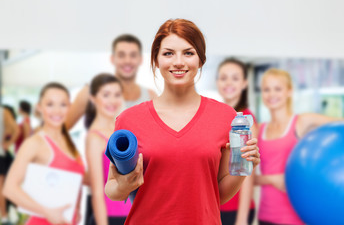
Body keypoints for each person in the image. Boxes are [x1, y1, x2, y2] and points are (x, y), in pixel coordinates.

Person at [104, 19, 260, 225]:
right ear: (156, 60)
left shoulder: (226, 117)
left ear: (201, 60)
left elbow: (217, 195)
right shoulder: (129, 119)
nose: (178, 62)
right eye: (168, 53)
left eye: (188, 53)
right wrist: (123, 186)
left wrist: (243, 166)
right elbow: (111, 189)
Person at [255, 68, 342, 225]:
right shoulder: (259, 129)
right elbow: (247, 178)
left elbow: (340, 122)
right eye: (267, 89)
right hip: (266, 216)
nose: (271, 94)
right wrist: (272, 179)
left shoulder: (302, 121)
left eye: (278, 89)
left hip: (295, 217)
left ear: (289, 91)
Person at [3, 83, 85, 225]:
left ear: (70, 107)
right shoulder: (35, 143)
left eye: (63, 104)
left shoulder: (69, 142)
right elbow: (10, 188)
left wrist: (76, 207)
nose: (57, 111)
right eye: (50, 104)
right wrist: (47, 212)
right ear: (39, 107)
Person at [65, 34, 157, 130]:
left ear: (140, 59)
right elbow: (60, 131)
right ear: (112, 59)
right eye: (121, 55)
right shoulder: (90, 91)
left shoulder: (151, 97)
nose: (127, 60)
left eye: (133, 55)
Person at [85, 73, 131, 225]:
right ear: (93, 98)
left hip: (134, 216)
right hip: (111, 219)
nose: (112, 101)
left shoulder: (122, 131)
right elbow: (97, 192)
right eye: (106, 95)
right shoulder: (94, 138)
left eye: (117, 95)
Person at [216, 58, 257, 225]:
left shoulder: (247, 121)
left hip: (236, 210)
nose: (228, 83)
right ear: (217, 82)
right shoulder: (217, 115)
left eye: (235, 78)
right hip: (216, 205)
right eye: (223, 78)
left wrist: (242, 218)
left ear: (244, 83)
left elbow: (248, 173)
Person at [0, 107, 19, 224]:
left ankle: (5, 216)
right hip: (3, 155)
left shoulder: (3, 112)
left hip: (2, 155)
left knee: (3, 187)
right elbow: (15, 130)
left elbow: (16, 130)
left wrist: (7, 143)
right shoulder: (4, 112)